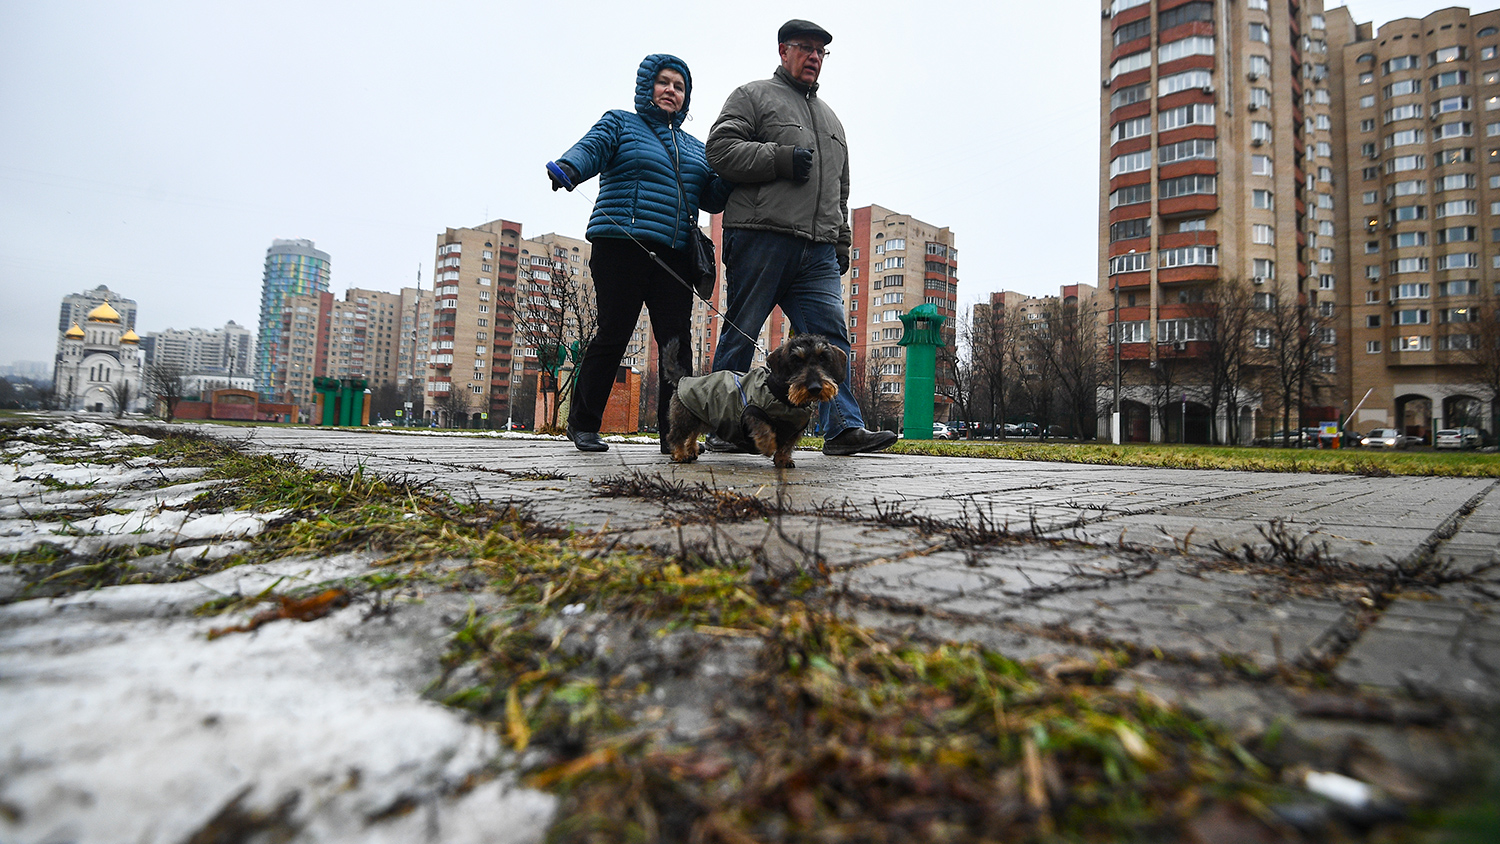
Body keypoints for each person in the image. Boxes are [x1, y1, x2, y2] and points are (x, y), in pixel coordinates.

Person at [704, 19, 897, 457]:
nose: (814, 57)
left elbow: (840, 190)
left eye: (821, 52)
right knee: (742, 330)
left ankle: (844, 427)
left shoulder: (832, 120)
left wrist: (841, 240)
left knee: (830, 337)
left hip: (818, 251)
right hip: (760, 237)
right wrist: (780, 159)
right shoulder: (752, 96)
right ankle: (726, 426)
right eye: (805, 48)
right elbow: (719, 150)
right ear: (782, 50)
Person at [548, 54, 731, 453]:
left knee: (677, 345)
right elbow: (591, 149)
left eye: (679, 86)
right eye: (664, 82)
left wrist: (737, 172)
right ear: (647, 87)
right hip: (621, 245)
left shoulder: (696, 150)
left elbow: (714, 198)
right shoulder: (620, 124)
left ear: (686, 97)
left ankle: (674, 435)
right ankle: (583, 425)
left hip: (674, 255)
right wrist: (568, 167)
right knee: (614, 332)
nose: (671, 91)